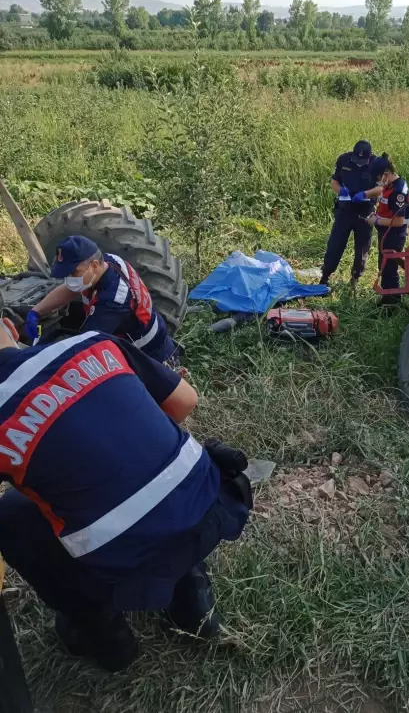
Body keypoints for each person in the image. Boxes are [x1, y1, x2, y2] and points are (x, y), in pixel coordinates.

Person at [0, 318, 251, 672]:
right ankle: (192, 598)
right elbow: (185, 402)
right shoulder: (91, 342)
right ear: (10, 326)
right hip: (209, 506)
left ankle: (104, 635)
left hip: (122, 556)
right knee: (140, 465)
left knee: (11, 514)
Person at [24, 236, 177, 363]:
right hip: (147, 333)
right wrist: (36, 311)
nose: (70, 279)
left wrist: (36, 357)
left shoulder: (113, 301)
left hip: (150, 357)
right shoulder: (110, 261)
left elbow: (82, 350)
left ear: (94, 265)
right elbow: (69, 289)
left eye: (74, 273)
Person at [352, 153, 409, 305]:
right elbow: (386, 205)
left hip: (394, 235)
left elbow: (399, 221)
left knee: (389, 269)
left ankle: (391, 303)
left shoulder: (398, 191)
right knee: (384, 266)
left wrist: (377, 220)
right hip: (386, 232)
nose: (379, 183)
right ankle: (387, 298)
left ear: (386, 174)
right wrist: (376, 213)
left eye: (379, 179)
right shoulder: (390, 185)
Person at [320, 140, 376, 287]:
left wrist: (365, 194)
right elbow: (334, 181)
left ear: (369, 157)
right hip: (345, 209)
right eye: (357, 159)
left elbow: (382, 189)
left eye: (362, 160)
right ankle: (325, 276)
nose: (359, 162)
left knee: (362, 247)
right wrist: (340, 190)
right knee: (336, 243)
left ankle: (355, 279)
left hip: (365, 210)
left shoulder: (377, 165)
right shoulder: (343, 159)